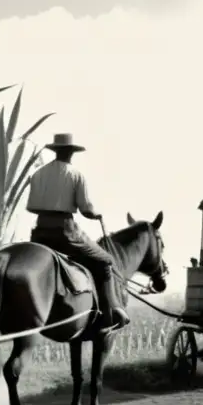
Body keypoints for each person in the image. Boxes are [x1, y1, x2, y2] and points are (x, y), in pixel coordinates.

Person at [26, 133, 130, 329]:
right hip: (65, 232)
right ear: (71, 152)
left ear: (55, 150)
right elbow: (86, 209)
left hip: (39, 232)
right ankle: (109, 313)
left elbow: (31, 207)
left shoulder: (38, 173)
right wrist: (97, 215)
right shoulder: (75, 174)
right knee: (106, 260)